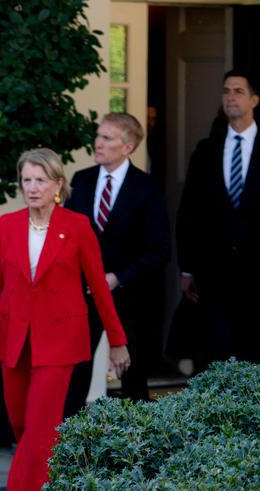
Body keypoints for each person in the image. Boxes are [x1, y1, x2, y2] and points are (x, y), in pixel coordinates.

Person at [0, 148, 130, 491]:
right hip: (15, 341)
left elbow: (100, 290)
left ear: (57, 185)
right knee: (20, 424)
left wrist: (117, 341)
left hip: (60, 343)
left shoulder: (78, 227)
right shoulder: (6, 227)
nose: (32, 188)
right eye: (26, 180)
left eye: (40, 180)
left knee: (39, 430)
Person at [62, 113, 170, 418]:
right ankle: (68, 444)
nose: (97, 143)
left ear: (128, 146)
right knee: (76, 371)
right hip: (84, 295)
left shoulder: (147, 189)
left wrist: (117, 278)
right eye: (98, 135)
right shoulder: (81, 181)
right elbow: (67, 237)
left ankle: (137, 449)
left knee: (132, 376)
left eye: (107, 138)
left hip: (131, 296)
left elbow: (159, 252)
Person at [177, 69, 260, 365]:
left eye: (238, 91)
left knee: (254, 350)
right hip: (212, 269)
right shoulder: (206, 150)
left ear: (254, 100)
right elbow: (189, 211)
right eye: (226, 91)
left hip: (259, 269)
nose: (230, 97)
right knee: (213, 349)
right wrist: (187, 268)